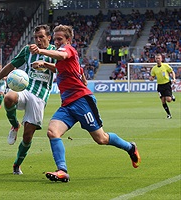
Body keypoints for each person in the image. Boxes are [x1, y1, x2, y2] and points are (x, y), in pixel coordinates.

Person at [29, 25, 141, 183]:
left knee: (101, 138)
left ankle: (130, 148)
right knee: (53, 132)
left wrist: (40, 52)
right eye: (55, 39)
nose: (57, 42)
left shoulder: (68, 49)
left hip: (82, 100)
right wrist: (45, 64)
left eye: (60, 39)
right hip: (67, 103)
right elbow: (62, 68)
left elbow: (62, 56)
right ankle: (62, 171)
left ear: (68, 40)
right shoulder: (63, 56)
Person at [0, 24, 57, 175]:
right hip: (25, 90)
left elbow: (62, 68)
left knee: (28, 135)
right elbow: (11, 66)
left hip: (40, 96)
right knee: (8, 98)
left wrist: (44, 63)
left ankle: (17, 164)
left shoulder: (55, 52)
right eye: (36, 37)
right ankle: (15, 125)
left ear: (49, 38)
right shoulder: (27, 50)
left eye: (41, 37)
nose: (37, 40)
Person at [149, 54, 176, 119]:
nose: (157, 60)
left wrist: (174, 78)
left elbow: (172, 72)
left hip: (166, 84)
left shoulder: (165, 66)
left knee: (168, 100)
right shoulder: (154, 68)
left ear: (161, 59)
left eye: (159, 58)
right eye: (156, 58)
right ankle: (169, 114)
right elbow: (152, 77)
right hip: (160, 85)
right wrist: (151, 79)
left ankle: (172, 97)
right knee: (163, 101)